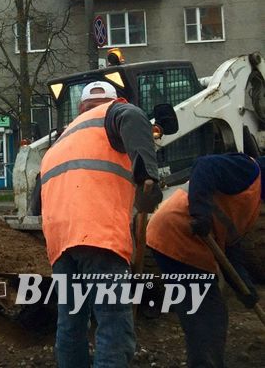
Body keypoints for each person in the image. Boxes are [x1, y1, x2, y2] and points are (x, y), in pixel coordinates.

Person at [40, 81, 163, 368]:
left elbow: (38, 200)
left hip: (60, 242)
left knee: (71, 324)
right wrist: (147, 176)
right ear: (114, 100)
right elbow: (133, 116)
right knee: (113, 325)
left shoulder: (61, 140)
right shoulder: (115, 113)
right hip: (99, 234)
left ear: (80, 108)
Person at [147, 153, 263, 368]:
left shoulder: (252, 201)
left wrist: (244, 287)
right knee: (206, 315)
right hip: (177, 231)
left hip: (187, 242)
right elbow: (204, 164)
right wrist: (201, 213)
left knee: (209, 314)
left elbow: (230, 245)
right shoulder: (248, 170)